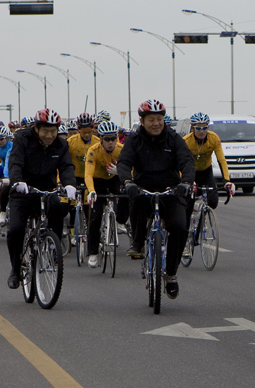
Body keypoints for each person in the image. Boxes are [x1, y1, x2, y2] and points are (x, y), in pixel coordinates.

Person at [117, 99, 194, 299]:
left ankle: (171, 274)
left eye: (159, 119)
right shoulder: (134, 140)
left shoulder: (173, 138)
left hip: (171, 190)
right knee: (136, 202)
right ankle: (138, 242)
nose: (156, 123)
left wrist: (186, 182)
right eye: (151, 119)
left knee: (179, 227)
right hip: (143, 189)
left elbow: (186, 160)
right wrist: (128, 181)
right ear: (142, 121)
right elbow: (124, 162)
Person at [6, 109, 75, 289]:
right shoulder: (22, 139)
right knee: (16, 230)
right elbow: (15, 162)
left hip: (46, 188)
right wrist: (17, 181)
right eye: (46, 131)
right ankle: (15, 268)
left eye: (53, 131)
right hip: (23, 189)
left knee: (58, 208)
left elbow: (67, 166)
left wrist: (70, 185)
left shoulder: (61, 144)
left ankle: (54, 248)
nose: (50, 135)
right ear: (36, 128)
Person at [182, 112, 235, 255]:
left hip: (206, 171)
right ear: (192, 128)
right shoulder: (186, 141)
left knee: (213, 201)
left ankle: (203, 213)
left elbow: (221, 160)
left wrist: (227, 181)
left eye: (205, 127)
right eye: (198, 128)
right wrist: (187, 181)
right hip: (191, 172)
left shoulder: (213, 138)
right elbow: (182, 163)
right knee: (187, 206)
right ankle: (186, 240)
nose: (202, 131)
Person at [84, 121, 130, 268]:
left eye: (113, 139)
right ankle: (93, 252)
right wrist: (91, 191)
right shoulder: (93, 150)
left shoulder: (122, 150)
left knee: (127, 193)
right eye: (107, 139)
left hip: (115, 178)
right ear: (101, 139)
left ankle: (119, 220)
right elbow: (88, 174)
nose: (111, 143)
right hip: (98, 181)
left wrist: (121, 172)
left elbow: (134, 171)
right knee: (95, 217)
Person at [66, 112, 99, 233]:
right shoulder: (71, 142)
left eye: (89, 132)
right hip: (75, 177)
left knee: (88, 207)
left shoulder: (97, 142)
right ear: (78, 129)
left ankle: (91, 231)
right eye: (83, 132)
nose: (86, 135)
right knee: (71, 205)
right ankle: (72, 230)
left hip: (90, 177)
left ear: (93, 128)